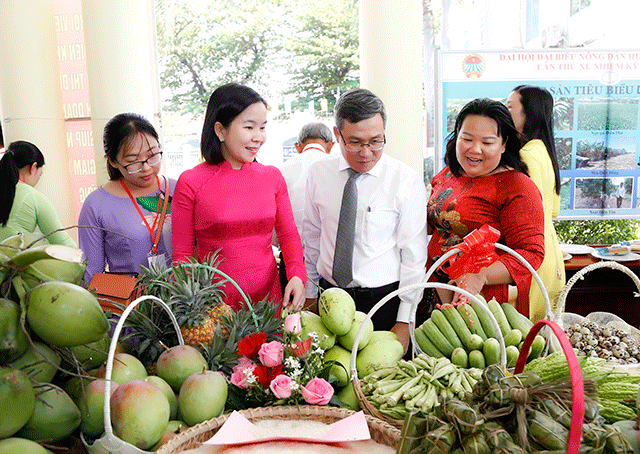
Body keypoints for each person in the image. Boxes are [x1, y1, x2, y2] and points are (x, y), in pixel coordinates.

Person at [303, 88, 427, 351]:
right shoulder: (318, 174)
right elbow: (312, 241)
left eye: (376, 141)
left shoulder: (404, 180)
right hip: (329, 298)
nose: (366, 152)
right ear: (337, 135)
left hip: (383, 303)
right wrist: (309, 296)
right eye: (356, 142)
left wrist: (405, 321)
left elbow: (414, 257)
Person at [171, 83, 306, 312]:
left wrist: (296, 275)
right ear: (220, 130)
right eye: (249, 127)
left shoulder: (272, 177)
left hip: (268, 304)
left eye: (262, 127)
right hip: (214, 309)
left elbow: (289, 235)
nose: (259, 137)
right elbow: (182, 258)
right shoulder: (191, 181)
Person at [427, 98, 545, 319]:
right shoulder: (449, 174)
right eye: (467, 138)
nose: (475, 149)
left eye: (488, 142)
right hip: (429, 293)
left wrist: (481, 276)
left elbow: (531, 253)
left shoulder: (518, 187)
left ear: (504, 143)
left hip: (479, 305)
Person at [78, 113, 175, 286]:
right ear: (113, 161)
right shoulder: (96, 204)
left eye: (153, 155)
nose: (146, 168)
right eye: (133, 161)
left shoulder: (178, 190)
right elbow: (92, 274)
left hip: (183, 305)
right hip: (129, 306)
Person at [506, 85, 566, 321]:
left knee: (526, 335)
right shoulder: (543, 149)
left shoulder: (526, 155)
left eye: (510, 107)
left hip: (535, 255)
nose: (505, 112)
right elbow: (554, 209)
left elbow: (530, 213)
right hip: (552, 252)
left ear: (528, 114)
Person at [277, 122, 334, 294]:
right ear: (331, 145)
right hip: (329, 269)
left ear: (297, 146)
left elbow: (275, 229)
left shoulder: (281, 171)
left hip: (291, 265)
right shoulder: (337, 168)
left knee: (291, 318)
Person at [0, 140, 76, 246]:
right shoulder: (33, 197)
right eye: (40, 174)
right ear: (33, 167)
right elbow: (61, 241)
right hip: (12, 260)